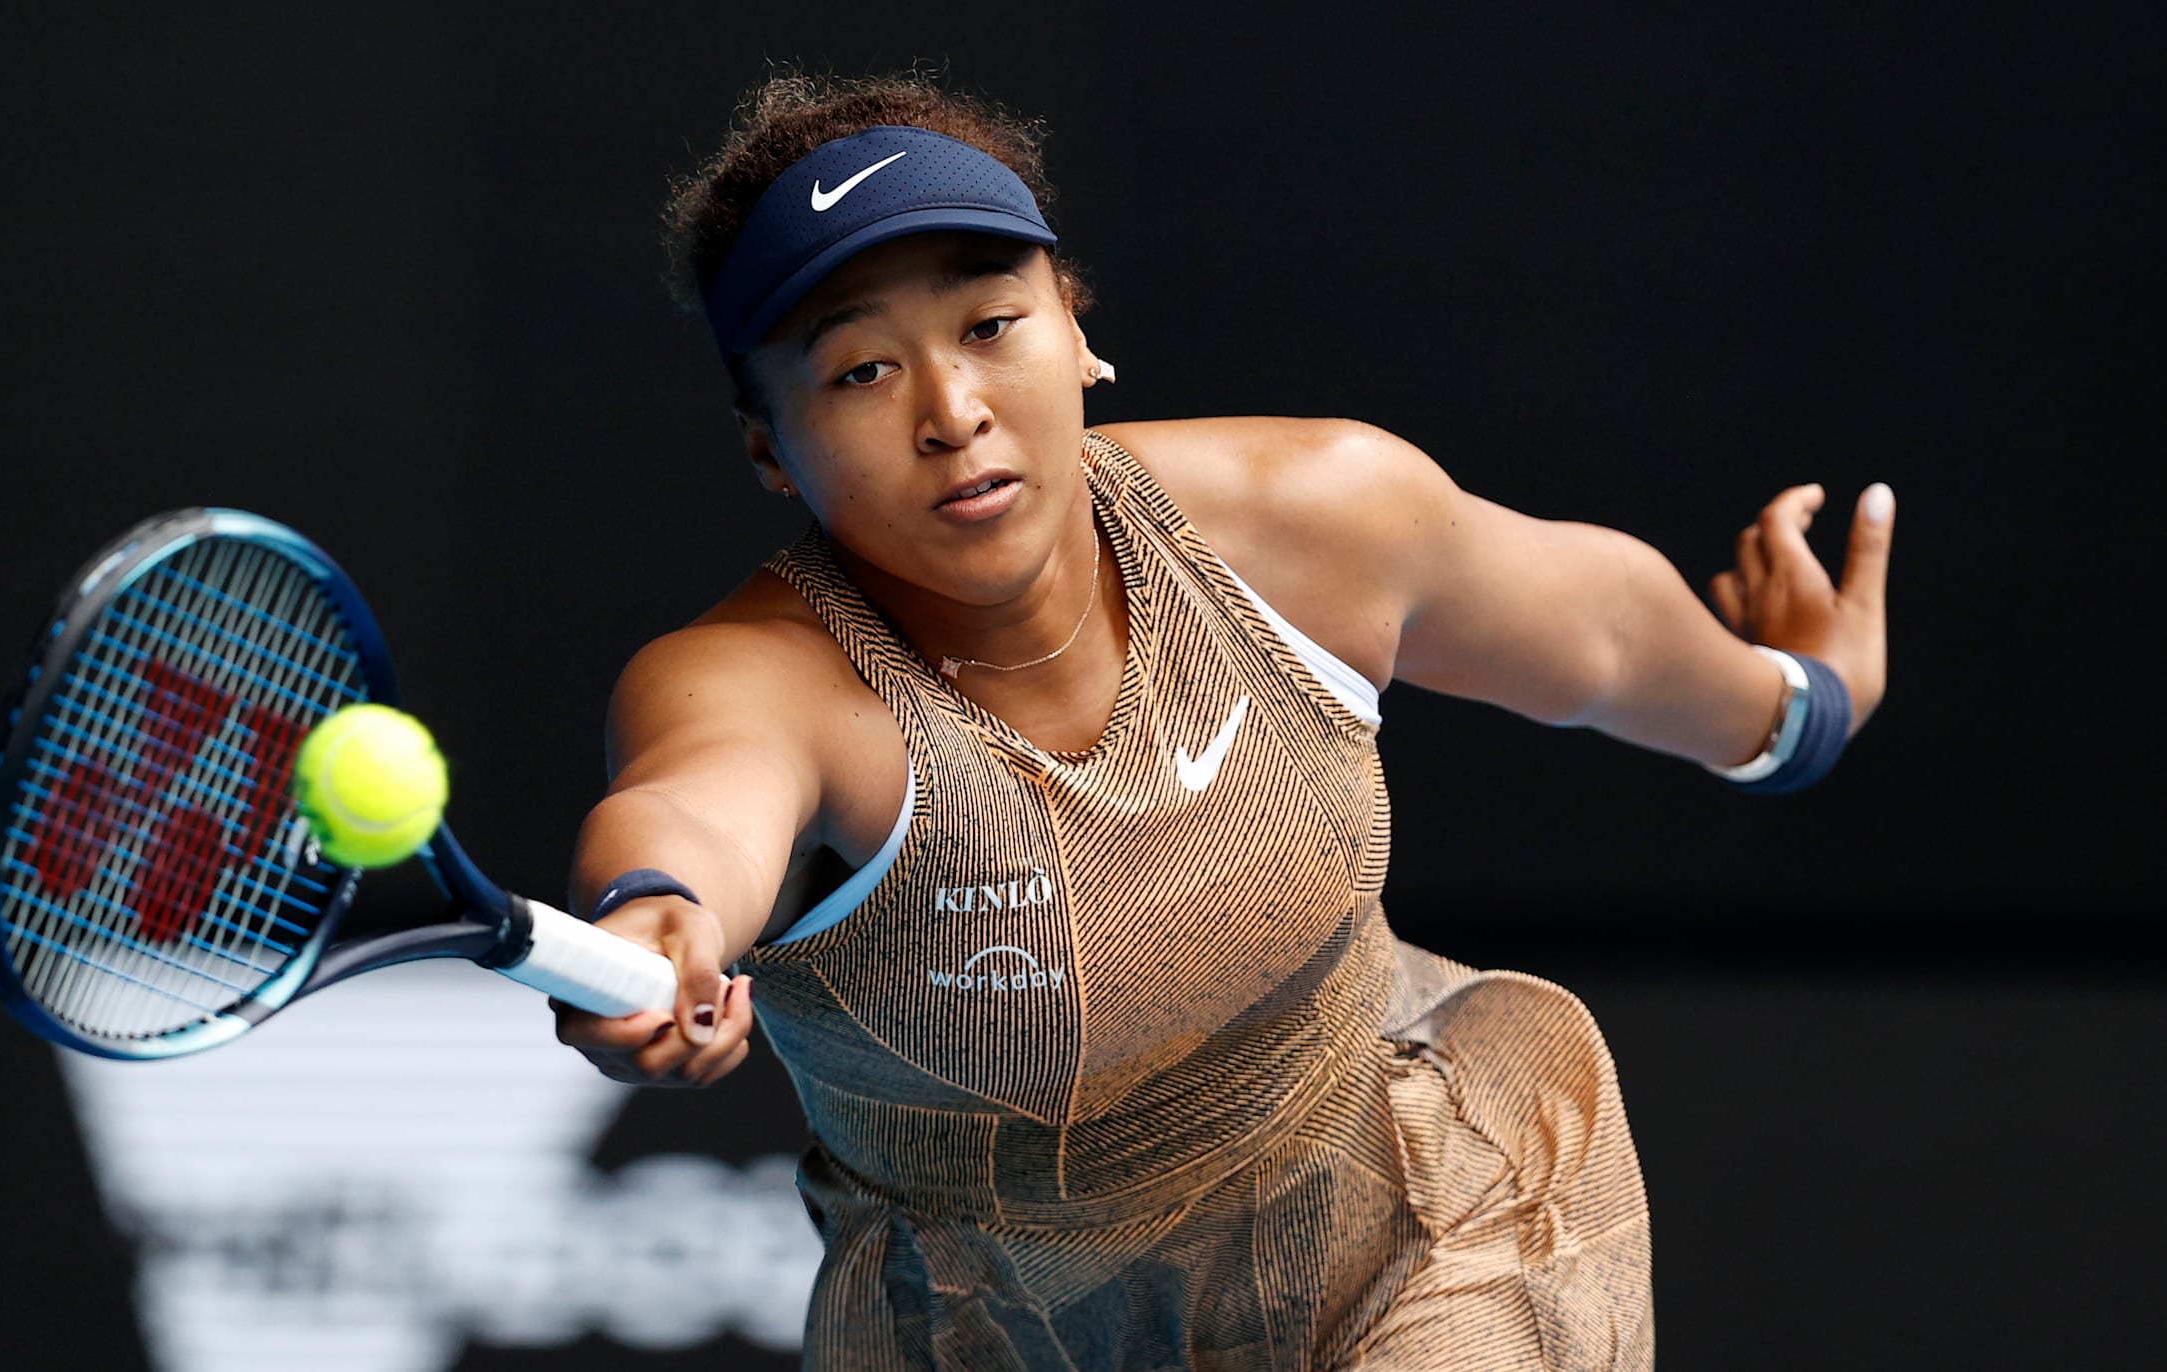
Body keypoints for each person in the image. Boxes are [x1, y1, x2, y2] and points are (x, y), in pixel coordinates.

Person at [553, 71, 1893, 1370]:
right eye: (857, 372)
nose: (952, 413)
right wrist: (660, 914)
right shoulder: (764, 679)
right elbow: (687, 805)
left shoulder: (1319, 516)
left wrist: (1803, 704)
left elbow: (1603, 638)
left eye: (990, 325)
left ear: (1075, 328)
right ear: (766, 445)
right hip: (985, 1327)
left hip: (1423, 1226)